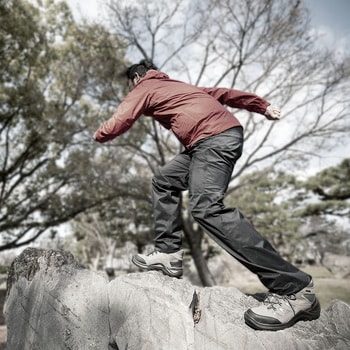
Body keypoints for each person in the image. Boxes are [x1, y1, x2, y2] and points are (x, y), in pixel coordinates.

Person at [93, 59, 321, 331]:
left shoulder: (146, 85)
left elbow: (123, 117)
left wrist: (98, 134)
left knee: (206, 208)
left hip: (213, 139)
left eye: (132, 84)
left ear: (138, 77)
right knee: (164, 181)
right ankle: (169, 253)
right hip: (209, 141)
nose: (133, 90)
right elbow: (226, 94)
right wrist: (262, 106)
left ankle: (295, 289)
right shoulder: (181, 87)